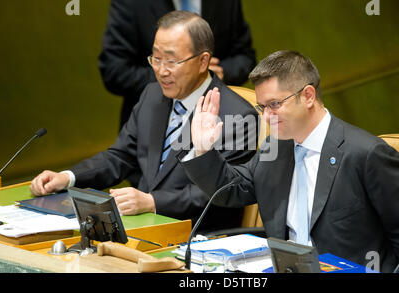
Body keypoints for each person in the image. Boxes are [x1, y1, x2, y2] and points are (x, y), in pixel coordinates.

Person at [180, 50, 399, 272]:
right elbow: (234, 190)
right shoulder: (276, 147)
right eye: (262, 107)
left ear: (309, 96)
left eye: (275, 104)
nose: (267, 117)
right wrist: (203, 149)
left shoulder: (367, 155)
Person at [30, 11, 258, 231]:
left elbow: (222, 190)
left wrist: (152, 201)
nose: (161, 71)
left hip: (196, 237)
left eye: (171, 61)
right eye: (156, 58)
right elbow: (121, 156)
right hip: (138, 228)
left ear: (202, 61)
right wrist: (68, 177)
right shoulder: (152, 95)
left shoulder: (237, 116)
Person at [99, 0, 256, 129]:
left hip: (218, 125)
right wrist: (181, 76)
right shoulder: (130, 3)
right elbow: (114, 70)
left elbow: (245, 57)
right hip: (150, 127)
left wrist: (217, 74)